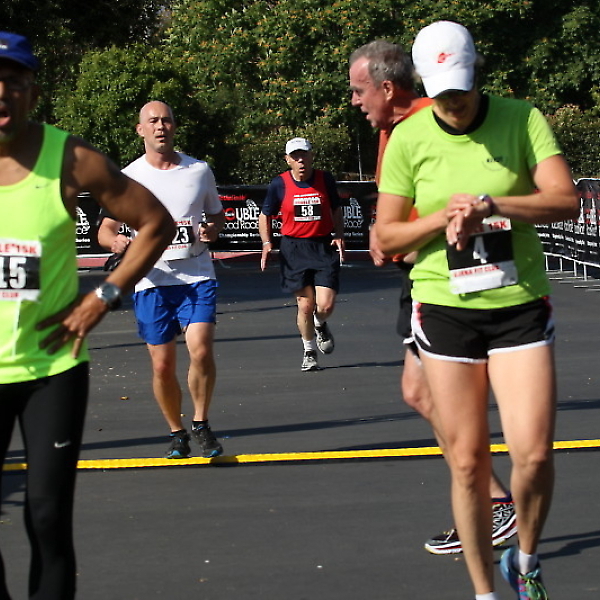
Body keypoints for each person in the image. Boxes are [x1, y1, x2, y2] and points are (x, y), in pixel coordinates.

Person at [376, 21, 579, 600]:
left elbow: (564, 199)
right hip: (445, 306)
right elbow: (386, 237)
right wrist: (444, 216)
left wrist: (492, 205)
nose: (455, 102)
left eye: (462, 87)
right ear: (422, 83)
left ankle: (526, 560)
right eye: (442, 92)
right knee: (468, 464)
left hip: (517, 304)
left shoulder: (522, 118)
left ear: (477, 72)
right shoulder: (409, 138)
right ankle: (484, 593)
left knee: (533, 454)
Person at [0, 32, 175, 599]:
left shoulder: (69, 158)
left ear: (33, 92)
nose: (1, 92)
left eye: (14, 81)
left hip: (51, 367)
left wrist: (104, 296)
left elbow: (156, 223)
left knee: (47, 516)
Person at [349, 40, 517, 555]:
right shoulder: (390, 131)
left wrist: (405, 237)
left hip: (449, 278)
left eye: (358, 91)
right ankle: (492, 501)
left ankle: (495, 502)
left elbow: (465, 200)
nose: (354, 101)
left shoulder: (433, 120)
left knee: (441, 395)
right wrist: (385, 233)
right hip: (420, 277)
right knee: (419, 394)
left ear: (386, 88)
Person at [97, 101, 225, 460]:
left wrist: (212, 229)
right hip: (152, 281)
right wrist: (117, 242)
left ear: (174, 126)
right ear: (141, 130)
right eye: (152, 121)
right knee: (162, 365)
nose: (160, 126)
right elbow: (105, 230)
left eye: (166, 120)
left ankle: (201, 423)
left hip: (196, 275)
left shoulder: (198, 170)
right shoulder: (129, 177)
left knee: (201, 350)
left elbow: (217, 214)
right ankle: (176, 432)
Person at [259, 137, 346, 371]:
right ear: (287, 160)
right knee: (305, 305)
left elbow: (336, 209)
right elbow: (265, 214)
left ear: (311, 156)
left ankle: (320, 323)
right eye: (295, 156)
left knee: (325, 305)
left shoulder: (324, 179)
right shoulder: (279, 184)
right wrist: (267, 243)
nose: (300, 160)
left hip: (322, 246)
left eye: (304, 155)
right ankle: (309, 351)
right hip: (294, 250)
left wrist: (339, 234)